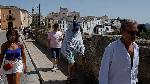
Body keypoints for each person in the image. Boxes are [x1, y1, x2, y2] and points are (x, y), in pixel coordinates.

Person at [99, 19, 139, 84]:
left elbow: (134, 72)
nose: (134, 35)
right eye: (131, 33)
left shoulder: (136, 48)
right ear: (122, 31)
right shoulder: (111, 48)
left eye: (136, 32)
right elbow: (103, 74)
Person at [61, 17, 85, 83]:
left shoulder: (78, 32)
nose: (76, 30)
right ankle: (69, 77)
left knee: (73, 64)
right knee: (72, 63)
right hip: (69, 50)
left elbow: (80, 41)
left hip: (75, 50)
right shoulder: (68, 32)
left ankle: (71, 77)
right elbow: (67, 41)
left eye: (77, 29)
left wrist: (82, 52)